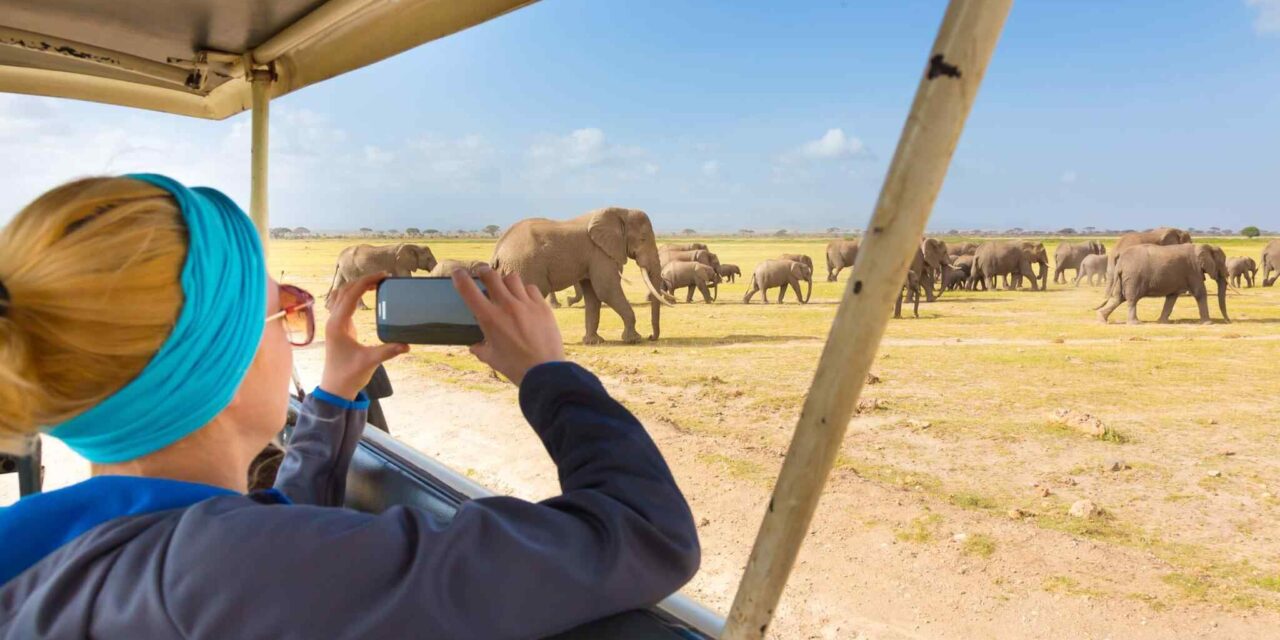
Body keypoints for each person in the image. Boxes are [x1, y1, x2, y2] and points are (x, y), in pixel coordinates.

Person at [0, 176, 699, 638]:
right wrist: (549, 374)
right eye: (284, 310)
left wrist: (333, 397)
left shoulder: (43, 544)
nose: (299, 329)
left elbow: (269, 536)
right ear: (221, 359)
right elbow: (646, 530)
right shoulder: (218, 572)